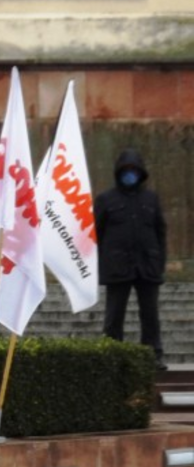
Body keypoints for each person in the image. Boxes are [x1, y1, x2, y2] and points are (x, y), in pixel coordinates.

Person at [96, 147, 168, 369]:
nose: (130, 173)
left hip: (147, 266)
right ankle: (112, 354)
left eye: (134, 169)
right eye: (126, 169)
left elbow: (160, 232)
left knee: (150, 315)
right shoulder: (106, 199)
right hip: (117, 267)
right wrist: (103, 263)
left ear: (140, 172)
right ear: (118, 172)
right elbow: (96, 234)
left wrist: (159, 262)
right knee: (114, 315)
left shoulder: (151, 198)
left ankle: (153, 355)